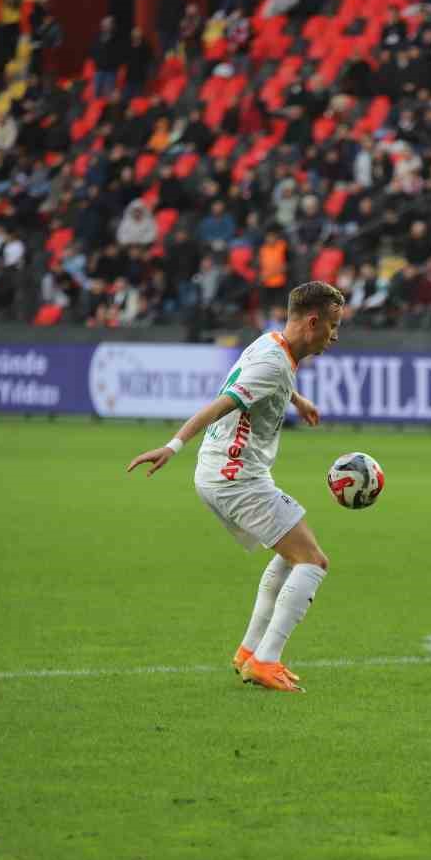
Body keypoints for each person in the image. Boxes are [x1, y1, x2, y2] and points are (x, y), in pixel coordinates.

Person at [125, 281, 345, 693]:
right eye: (333, 326)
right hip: (235, 478)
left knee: (290, 552)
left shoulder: (272, 344)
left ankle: (248, 653)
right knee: (314, 562)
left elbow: (269, 379)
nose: (335, 336)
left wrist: (297, 401)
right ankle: (266, 660)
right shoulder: (274, 365)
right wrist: (173, 446)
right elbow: (222, 402)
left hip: (229, 472)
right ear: (313, 321)